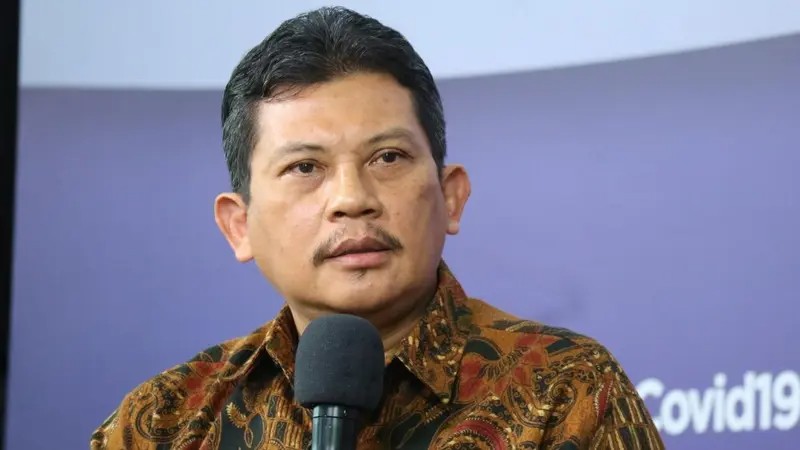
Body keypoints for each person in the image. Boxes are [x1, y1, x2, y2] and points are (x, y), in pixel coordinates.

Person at [91, 6, 664, 449]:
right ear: (238, 226)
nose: (352, 199)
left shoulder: (566, 390)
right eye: (305, 167)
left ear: (450, 196)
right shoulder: (166, 422)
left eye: (387, 158)